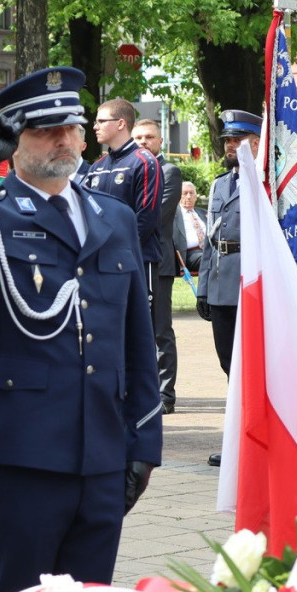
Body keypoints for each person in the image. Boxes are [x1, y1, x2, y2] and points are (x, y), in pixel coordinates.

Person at [0, 66, 161, 592]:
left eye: (70, 127)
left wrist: (144, 444)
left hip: (104, 452)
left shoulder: (112, 217)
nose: (62, 139)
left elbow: (138, 337)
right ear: (14, 142)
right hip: (25, 453)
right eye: (44, 130)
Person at [195, 110, 261, 466]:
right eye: (227, 140)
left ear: (255, 142)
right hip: (222, 285)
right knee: (228, 366)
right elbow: (210, 240)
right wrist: (204, 288)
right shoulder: (221, 184)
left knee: (253, 366)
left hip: (251, 285)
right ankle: (237, 441)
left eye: (236, 140)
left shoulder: (266, 181)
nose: (230, 146)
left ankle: (256, 440)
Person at [82, 97, 163, 305]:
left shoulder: (145, 162)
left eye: (101, 121)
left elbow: (145, 218)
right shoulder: (97, 167)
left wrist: (115, 249)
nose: (95, 126)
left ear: (120, 124)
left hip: (138, 259)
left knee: (142, 331)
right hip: (102, 262)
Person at [133, 118, 182, 414]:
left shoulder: (168, 172)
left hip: (157, 262)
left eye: (149, 137)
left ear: (160, 141)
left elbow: (155, 217)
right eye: (137, 138)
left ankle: (165, 395)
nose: (143, 142)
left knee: (160, 331)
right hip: (130, 261)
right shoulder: (132, 171)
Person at [175, 181, 206, 273]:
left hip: (209, 251)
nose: (189, 196)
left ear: (196, 196)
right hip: (188, 254)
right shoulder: (173, 215)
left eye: (191, 193)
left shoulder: (204, 213)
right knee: (211, 259)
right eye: (184, 193)